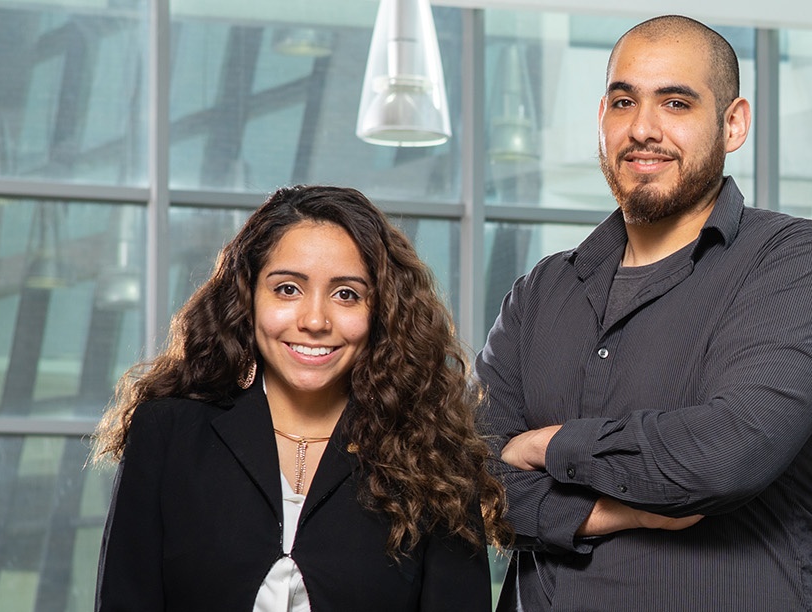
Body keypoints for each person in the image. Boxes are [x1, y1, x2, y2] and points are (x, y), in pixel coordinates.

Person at [478, 14, 812, 612]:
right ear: (601, 118)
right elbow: (469, 480)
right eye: (624, 102)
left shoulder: (795, 263)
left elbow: (725, 453)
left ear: (733, 123)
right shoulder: (541, 291)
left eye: (676, 103)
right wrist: (612, 511)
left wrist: (547, 446)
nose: (643, 129)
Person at [92, 185, 506, 611]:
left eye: (346, 294)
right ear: (247, 297)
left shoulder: (435, 459)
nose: (314, 320)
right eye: (288, 289)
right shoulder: (167, 433)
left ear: (382, 312)